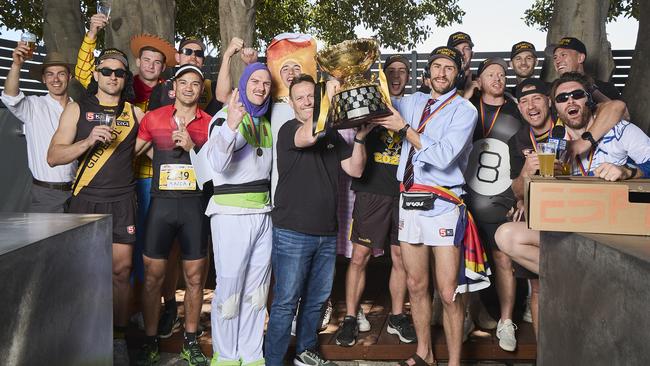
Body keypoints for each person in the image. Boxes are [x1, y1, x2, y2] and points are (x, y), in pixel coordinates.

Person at [374, 46, 489, 366]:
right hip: (409, 199)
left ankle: (454, 362)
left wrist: (405, 129)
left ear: (458, 74)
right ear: (427, 73)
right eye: (436, 66)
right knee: (415, 283)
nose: (441, 73)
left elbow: (442, 157)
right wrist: (347, 79)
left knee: (449, 290)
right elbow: (377, 105)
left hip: (444, 202)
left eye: (448, 68)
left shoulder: (464, 111)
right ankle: (425, 353)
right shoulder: (411, 102)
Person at [496, 72, 649, 309]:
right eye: (562, 98)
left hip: (616, 228)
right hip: (574, 228)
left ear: (588, 100)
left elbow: (616, 106)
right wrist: (530, 182)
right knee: (506, 235)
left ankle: (593, 279)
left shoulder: (619, 130)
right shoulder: (555, 144)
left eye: (577, 95)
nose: (570, 101)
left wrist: (628, 172)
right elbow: (525, 192)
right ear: (555, 107)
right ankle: (582, 277)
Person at [265, 74, 373, 366]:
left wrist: (361, 137)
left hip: (327, 233)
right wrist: (329, 98)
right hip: (292, 232)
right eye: (300, 97)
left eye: (311, 96)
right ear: (290, 103)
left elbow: (356, 169)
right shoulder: (289, 130)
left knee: (317, 300)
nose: (307, 101)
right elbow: (309, 135)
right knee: (286, 302)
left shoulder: (332, 134)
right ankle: (273, 361)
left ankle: (304, 351)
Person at [47, 48, 146, 365]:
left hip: (122, 200)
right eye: (107, 71)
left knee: (122, 272)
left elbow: (153, 149)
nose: (113, 77)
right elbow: (54, 156)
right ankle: (80, 337)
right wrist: (88, 142)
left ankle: (117, 339)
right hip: (86, 199)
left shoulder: (135, 114)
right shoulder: (76, 109)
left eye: (119, 73)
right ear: (95, 74)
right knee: (82, 274)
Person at [335, 54, 415, 347]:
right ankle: (350, 317)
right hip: (372, 191)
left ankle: (396, 316)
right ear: (382, 76)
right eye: (390, 71)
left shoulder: (413, 109)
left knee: (401, 258)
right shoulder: (367, 104)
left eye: (402, 71)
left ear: (409, 76)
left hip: (405, 194)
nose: (396, 76)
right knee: (359, 257)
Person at [135, 64, 211, 366]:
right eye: (184, 82)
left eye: (195, 83)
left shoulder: (210, 123)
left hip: (194, 207)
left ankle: (190, 341)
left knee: (194, 278)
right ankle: (152, 339)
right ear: (174, 87)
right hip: (161, 207)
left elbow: (217, 167)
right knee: (153, 278)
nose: (189, 88)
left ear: (200, 90)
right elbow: (133, 152)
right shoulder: (154, 118)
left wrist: (193, 147)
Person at [205, 62, 274, 366]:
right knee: (230, 288)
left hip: (263, 213)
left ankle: (250, 354)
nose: (260, 87)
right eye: (254, 81)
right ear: (243, 84)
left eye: (266, 83)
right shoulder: (223, 117)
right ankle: (226, 356)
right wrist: (231, 125)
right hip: (231, 214)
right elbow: (216, 165)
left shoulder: (265, 121)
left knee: (257, 290)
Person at [465, 57, 523, 352]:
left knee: (503, 260)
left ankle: (506, 320)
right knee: (464, 261)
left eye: (502, 74)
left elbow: (526, 157)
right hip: (465, 198)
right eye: (491, 74)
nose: (498, 78)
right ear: (480, 80)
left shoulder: (516, 109)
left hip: (501, 198)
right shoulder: (467, 108)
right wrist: (467, 92)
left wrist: (522, 195)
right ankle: (467, 315)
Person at [1, 44, 75, 213]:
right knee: (49, 240)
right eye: (50, 74)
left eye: (61, 74)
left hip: (79, 191)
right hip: (46, 194)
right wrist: (16, 65)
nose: (55, 79)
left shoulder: (78, 109)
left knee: (78, 239)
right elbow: (10, 97)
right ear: (43, 79)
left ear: (70, 77)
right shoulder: (34, 106)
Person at [550, 37, 622, 102]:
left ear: (580, 58)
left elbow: (622, 114)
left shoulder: (606, 88)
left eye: (563, 55)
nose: (557, 61)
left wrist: (592, 90)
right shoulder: (550, 89)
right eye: (555, 57)